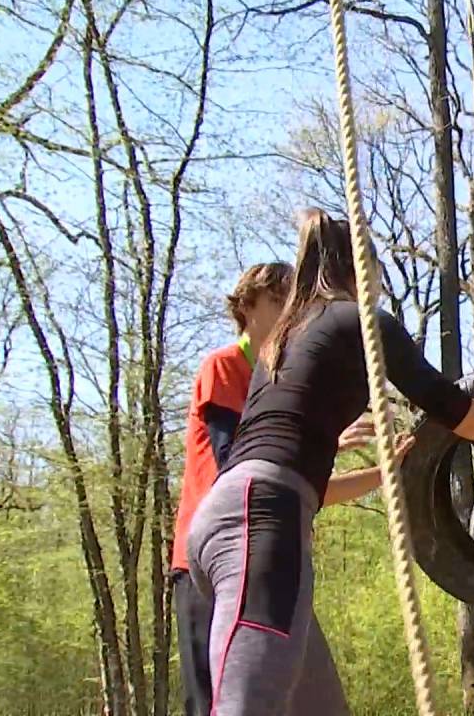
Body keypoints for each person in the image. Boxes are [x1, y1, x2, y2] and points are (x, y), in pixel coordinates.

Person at [185, 208, 474, 716]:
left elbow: (302, 484)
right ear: (363, 270)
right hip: (261, 531)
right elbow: (454, 409)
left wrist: (380, 474)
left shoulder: (285, 338)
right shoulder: (361, 322)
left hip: (237, 523)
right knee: (248, 706)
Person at [170, 262, 292, 716]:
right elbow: (235, 464)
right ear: (247, 306)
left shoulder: (280, 383)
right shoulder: (222, 367)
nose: (287, 313)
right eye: (278, 300)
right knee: (209, 697)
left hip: (261, 556)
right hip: (206, 556)